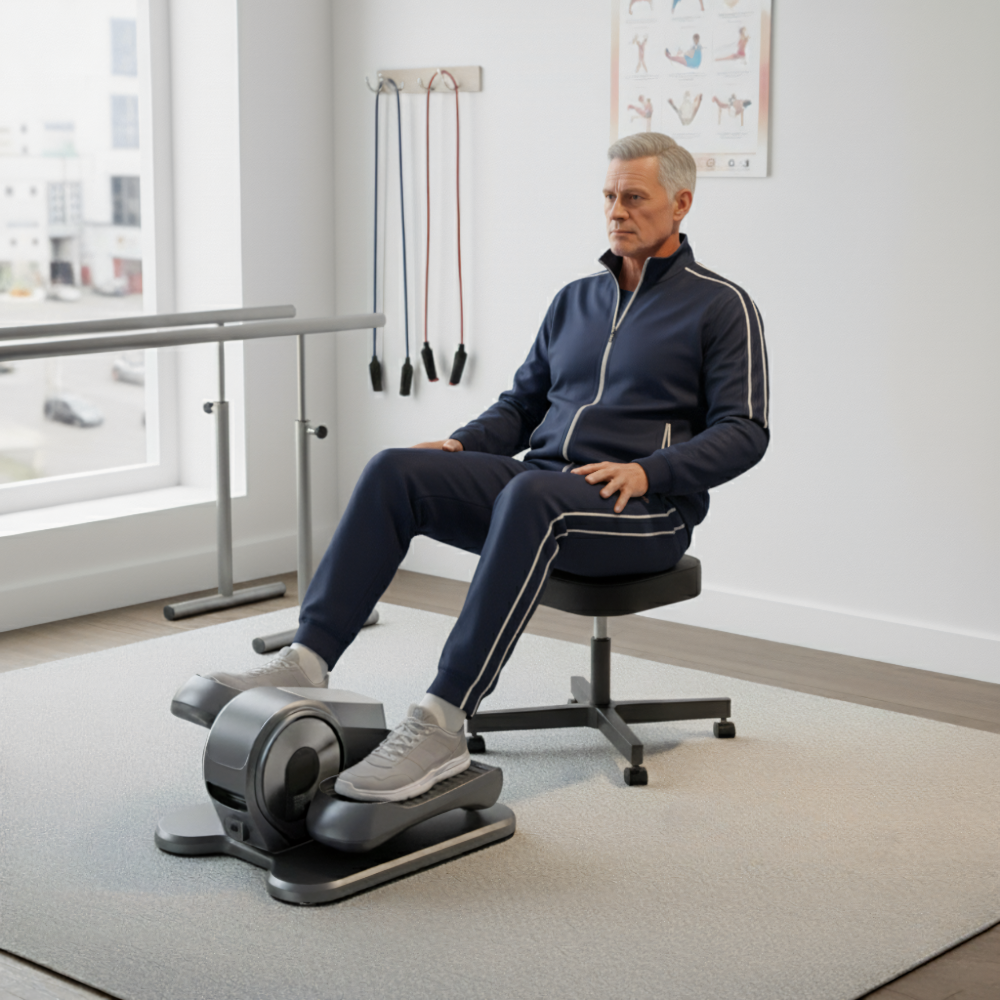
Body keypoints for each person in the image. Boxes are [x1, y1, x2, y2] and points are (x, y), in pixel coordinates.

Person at [177, 133, 769, 804]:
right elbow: (522, 405)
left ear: (681, 203)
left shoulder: (721, 307)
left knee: (532, 498)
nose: (616, 211)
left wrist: (650, 472)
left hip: (644, 510)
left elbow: (745, 431)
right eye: (609, 196)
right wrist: (463, 446)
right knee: (395, 470)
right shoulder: (575, 300)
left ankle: (442, 722)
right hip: (544, 488)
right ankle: (306, 662)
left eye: (634, 197)